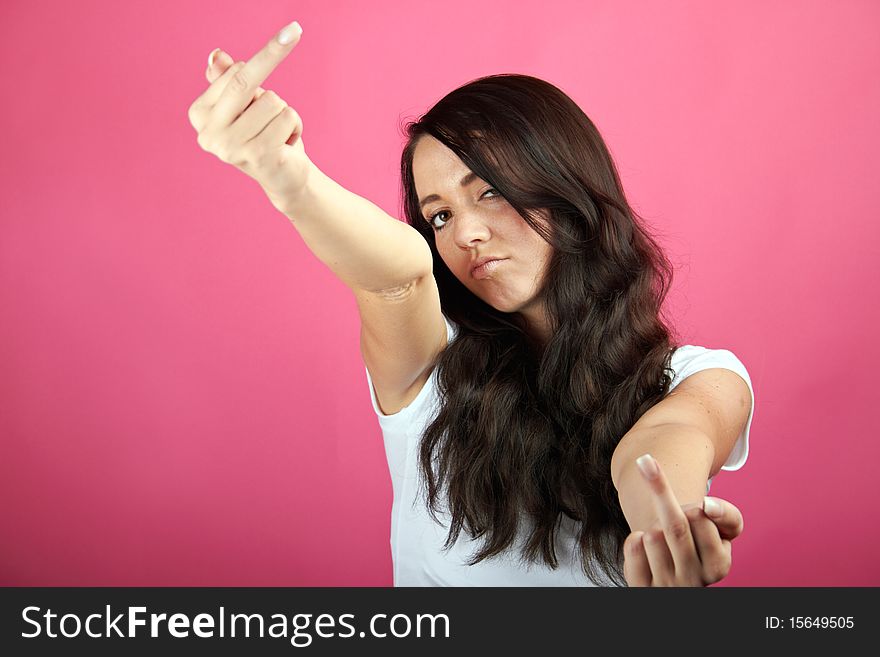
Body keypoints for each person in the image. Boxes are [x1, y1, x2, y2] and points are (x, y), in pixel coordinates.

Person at [188, 21, 754, 587]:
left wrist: (669, 521)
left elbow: (661, 444)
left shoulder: (700, 377)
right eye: (440, 215)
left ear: (565, 184)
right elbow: (398, 277)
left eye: (489, 191)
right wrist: (290, 180)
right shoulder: (429, 372)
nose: (466, 235)